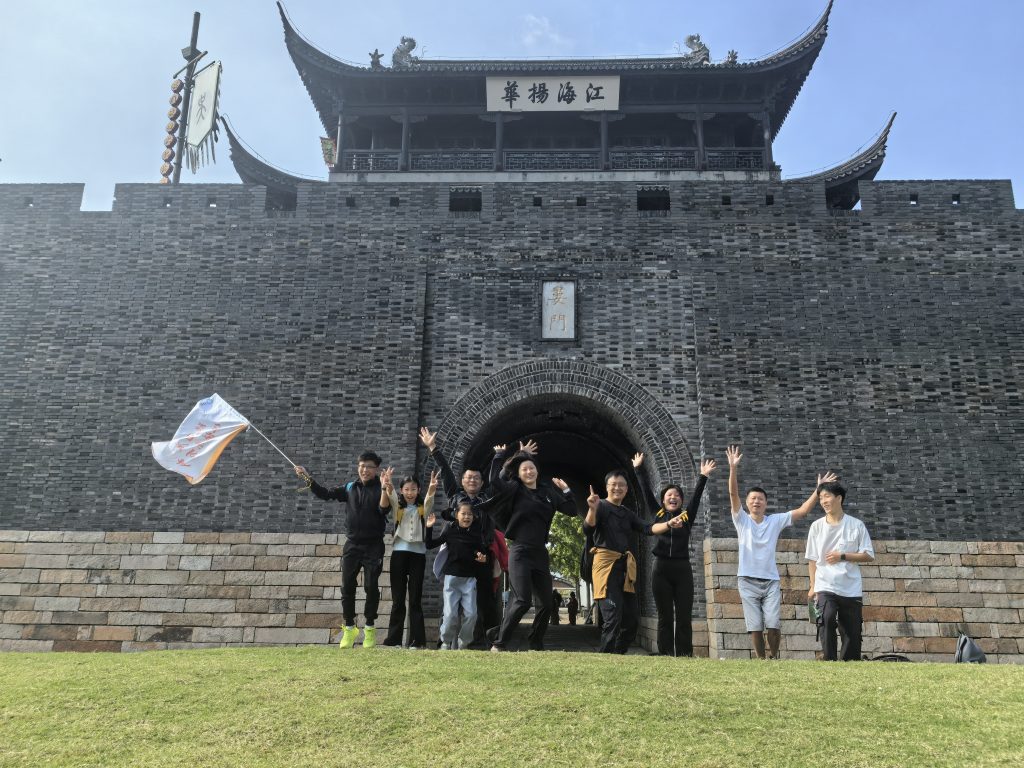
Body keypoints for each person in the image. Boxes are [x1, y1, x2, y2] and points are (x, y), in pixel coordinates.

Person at [726, 446, 837, 660]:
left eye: (760, 499)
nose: (756, 501)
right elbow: (733, 494)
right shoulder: (741, 520)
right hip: (746, 580)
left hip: (770, 581)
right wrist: (733, 468)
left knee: (773, 623)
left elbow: (803, 511)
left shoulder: (775, 521)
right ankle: (761, 660)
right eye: (752, 499)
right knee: (755, 625)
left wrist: (818, 490)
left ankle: (774, 657)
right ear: (747, 503)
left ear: (766, 503)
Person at [584, 467, 691, 654]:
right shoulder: (600, 506)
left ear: (626, 489)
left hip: (624, 567)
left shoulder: (627, 513)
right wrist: (592, 509)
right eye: (613, 484)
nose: (617, 488)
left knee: (631, 620)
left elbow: (648, 528)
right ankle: (605, 656)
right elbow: (588, 529)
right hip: (605, 565)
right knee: (612, 616)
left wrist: (668, 524)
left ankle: (618, 654)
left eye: (621, 485)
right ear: (607, 487)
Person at [295, 453, 391, 649]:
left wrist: (384, 488)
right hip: (352, 545)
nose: (365, 470)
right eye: (362, 465)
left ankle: (369, 628)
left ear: (376, 469)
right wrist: (306, 477)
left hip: (373, 546)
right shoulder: (350, 487)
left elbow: (383, 510)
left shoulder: (382, 488)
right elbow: (325, 494)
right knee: (347, 587)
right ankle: (349, 627)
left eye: (369, 466)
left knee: (371, 587)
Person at [488, 443, 576, 652]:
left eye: (531, 468)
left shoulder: (548, 492)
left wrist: (566, 490)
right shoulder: (515, 489)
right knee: (522, 600)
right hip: (519, 551)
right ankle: (499, 643)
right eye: (524, 469)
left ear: (537, 470)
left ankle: (535, 642)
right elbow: (495, 480)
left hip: (539, 553)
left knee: (547, 603)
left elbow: (572, 510)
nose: (529, 471)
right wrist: (503, 455)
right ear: (519, 474)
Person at [419, 426, 501, 646]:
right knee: (451, 603)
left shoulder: (486, 499)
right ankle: (445, 642)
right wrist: (433, 448)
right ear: (463, 481)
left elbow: (497, 480)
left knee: (483, 601)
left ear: (481, 483)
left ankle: (481, 641)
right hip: (457, 556)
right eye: (468, 478)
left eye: (476, 478)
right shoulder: (455, 496)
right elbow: (446, 471)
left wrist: (499, 457)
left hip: (482, 556)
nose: (472, 480)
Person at [633, 452, 716, 657]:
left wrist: (703, 476)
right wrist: (638, 469)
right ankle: (666, 653)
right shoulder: (658, 514)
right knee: (665, 616)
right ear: (663, 500)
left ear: (680, 500)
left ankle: (685, 653)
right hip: (661, 569)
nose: (673, 497)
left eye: (677, 495)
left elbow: (696, 498)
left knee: (684, 615)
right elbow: (646, 492)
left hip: (682, 570)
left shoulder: (686, 517)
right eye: (669, 495)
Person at [805, 480, 875, 661]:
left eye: (827, 496)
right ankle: (829, 660)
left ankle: (849, 664)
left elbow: (868, 555)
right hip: (825, 584)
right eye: (821, 498)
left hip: (850, 587)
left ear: (839, 498)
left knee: (852, 632)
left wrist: (842, 556)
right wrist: (813, 586)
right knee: (826, 618)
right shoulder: (816, 526)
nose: (823, 501)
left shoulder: (856, 525)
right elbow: (812, 559)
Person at [381, 470, 438, 649]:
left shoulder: (422, 508)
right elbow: (391, 495)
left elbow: (429, 500)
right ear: (402, 490)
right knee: (398, 599)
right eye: (406, 489)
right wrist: (387, 483)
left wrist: (432, 488)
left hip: (418, 556)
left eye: (413, 489)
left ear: (418, 490)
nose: (410, 492)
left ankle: (416, 641)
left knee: (415, 599)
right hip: (399, 554)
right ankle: (394, 640)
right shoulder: (398, 507)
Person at [425, 500, 488, 650]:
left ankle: (464, 643)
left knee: (471, 614)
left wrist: (482, 558)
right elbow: (429, 544)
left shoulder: (476, 533)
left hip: (469, 580)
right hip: (451, 579)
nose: (466, 517)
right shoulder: (450, 531)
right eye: (463, 513)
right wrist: (429, 527)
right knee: (450, 615)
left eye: (469, 514)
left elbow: (481, 552)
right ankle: (445, 643)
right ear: (456, 515)